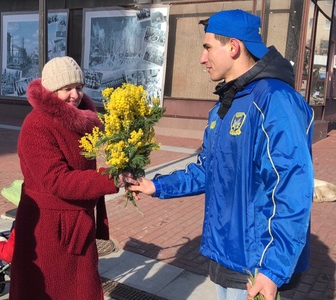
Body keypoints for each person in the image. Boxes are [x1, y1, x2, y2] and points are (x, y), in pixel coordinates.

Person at [126, 9, 314, 300]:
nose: (202, 58)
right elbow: (207, 169)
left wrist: (273, 270)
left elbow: (292, 186)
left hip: (257, 268)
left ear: (234, 47)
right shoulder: (225, 106)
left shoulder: (275, 100)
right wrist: (156, 186)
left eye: (207, 47)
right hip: (225, 256)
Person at [10, 56, 125, 299]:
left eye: (79, 87)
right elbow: (57, 180)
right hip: (48, 230)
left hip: (74, 223)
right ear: (51, 90)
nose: (75, 94)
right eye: (67, 89)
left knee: (79, 288)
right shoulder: (37, 125)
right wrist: (110, 178)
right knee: (50, 290)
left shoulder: (80, 122)